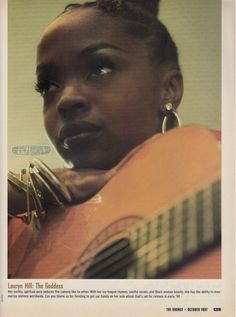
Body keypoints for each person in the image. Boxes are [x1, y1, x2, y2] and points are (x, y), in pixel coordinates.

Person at [8, 0, 221, 279]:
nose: (66, 99)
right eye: (48, 86)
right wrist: (20, 193)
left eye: (101, 69)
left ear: (168, 89)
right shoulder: (19, 229)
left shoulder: (219, 161)